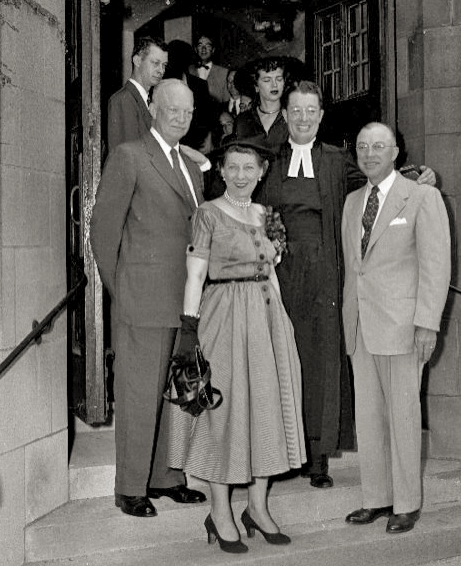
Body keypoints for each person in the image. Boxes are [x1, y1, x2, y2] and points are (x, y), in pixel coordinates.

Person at [257, 81, 437, 489]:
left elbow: (380, 178)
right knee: (283, 359)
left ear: (321, 117)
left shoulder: (338, 160)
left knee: (321, 363)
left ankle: (318, 458)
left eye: (311, 111)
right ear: (284, 116)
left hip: (326, 275)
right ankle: (285, 453)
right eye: (295, 111)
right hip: (280, 276)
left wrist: (418, 176)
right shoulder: (267, 159)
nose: (303, 118)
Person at [168, 136, 305, 554]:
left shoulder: (269, 215)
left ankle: (258, 509)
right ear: (222, 171)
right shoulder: (208, 214)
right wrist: (189, 329)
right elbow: (195, 275)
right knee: (222, 415)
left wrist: (282, 322)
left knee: (267, 409)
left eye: (250, 168)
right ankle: (221, 512)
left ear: (262, 172)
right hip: (224, 315)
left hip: (266, 319)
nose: (242, 175)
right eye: (234, 168)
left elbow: (272, 273)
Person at [90, 79, 207, 517]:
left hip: (184, 302)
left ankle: (167, 478)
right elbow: (103, 234)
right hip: (143, 300)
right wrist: (124, 292)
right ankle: (131, 486)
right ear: (153, 109)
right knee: (139, 395)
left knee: (173, 395)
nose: (180, 117)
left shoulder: (192, 167)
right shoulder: (129, 156)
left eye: (187, 111)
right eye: (171, 109)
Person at [341, 122, 451, 535]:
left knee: (403, 415)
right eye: (363, 146)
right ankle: (376, 498)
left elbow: (436, 265)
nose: (370, 153)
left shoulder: (422, 196)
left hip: (403, 326)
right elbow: (356, 269)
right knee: (368, 417)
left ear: (396, 152)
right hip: (361, 326)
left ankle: (406, 503)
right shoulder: (353, 201)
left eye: (379, 147)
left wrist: (427, 324)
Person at [106, 36, 167, 153]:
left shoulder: (148, 101)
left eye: (164, 65)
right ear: (137, 61)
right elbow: (129, 158)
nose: (161, 70)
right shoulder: (125, 99)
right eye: (155, 63)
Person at [234, 57, 290, 152]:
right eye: (267, 80)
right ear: (256, 86)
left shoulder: (293, 117)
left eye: (279, 79)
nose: (274, 85)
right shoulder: (243, 120)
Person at [188, 34, 230, 104]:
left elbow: (226, 102)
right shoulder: (188, 70)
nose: (203, 49)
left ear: (213, 50)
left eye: (208, 46)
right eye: (200, 45)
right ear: (196, 49)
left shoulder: (224, 73)